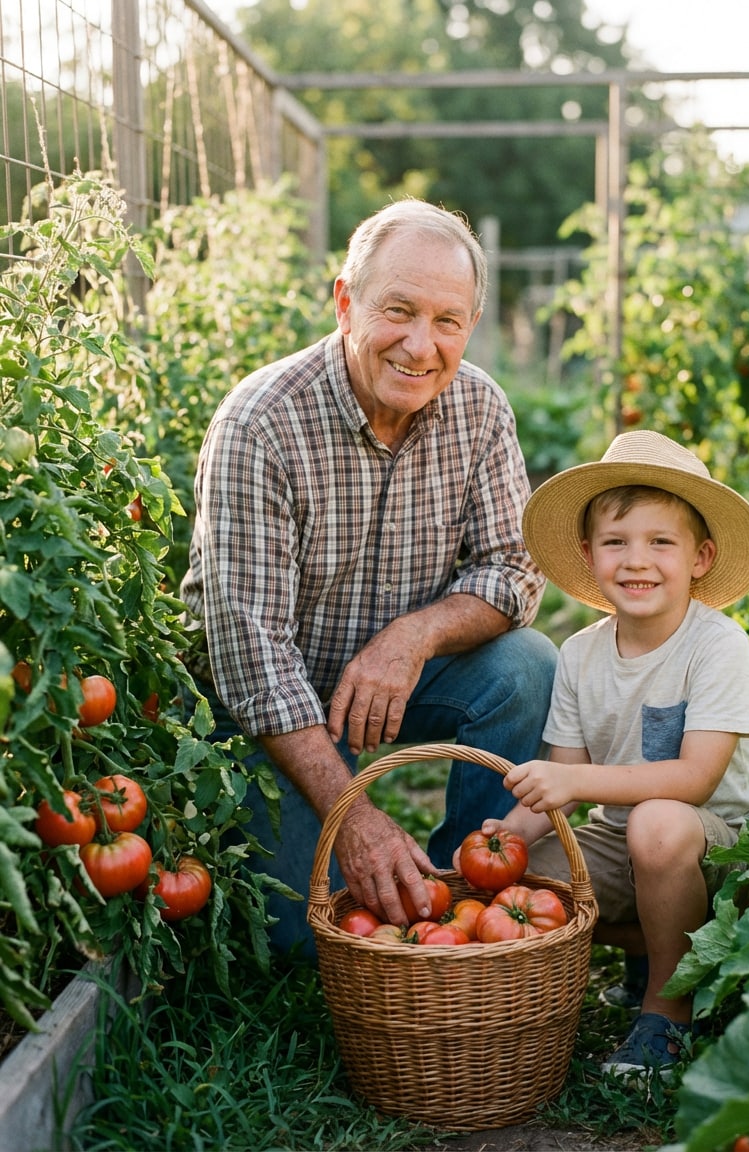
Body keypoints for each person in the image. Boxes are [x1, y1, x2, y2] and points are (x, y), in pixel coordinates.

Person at [180, 198, 557, 957]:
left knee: (528, 668)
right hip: (267, 706)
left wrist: (412, 637)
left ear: (471, 325)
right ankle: (332, 829)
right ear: (345, 302)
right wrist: (353, 814)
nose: (422, 346)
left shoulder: (479, 408)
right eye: (399, 310)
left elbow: (514, 570)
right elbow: (253, 662)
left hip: (392, 685)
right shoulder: (261, 424)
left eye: (448, 320)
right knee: (296, 943)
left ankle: (468, 891)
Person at [462, 429, 749, 1079]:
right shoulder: (580, 654)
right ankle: (657, 952)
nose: (638, 561)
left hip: (719, 849)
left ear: (701, 557)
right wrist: (507, 835)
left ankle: (668, 1013)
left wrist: (576, 783)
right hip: (623, 842)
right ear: (588, 553)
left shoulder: (717, 647)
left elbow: (694, 778)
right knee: (527, 871)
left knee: (659, 822)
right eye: (616, 542)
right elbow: (563, 773)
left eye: (661, 542)